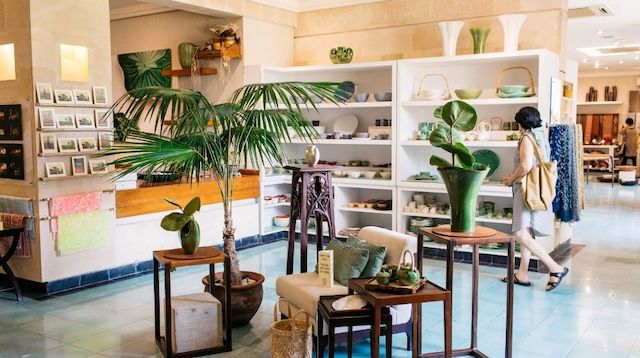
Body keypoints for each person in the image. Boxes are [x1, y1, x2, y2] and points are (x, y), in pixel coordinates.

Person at [500, 107, 569, 291]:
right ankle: (522, 274)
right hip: (536, 190)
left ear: (521, 123)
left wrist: (510, 179)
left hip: (525, 190)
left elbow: (525, 166)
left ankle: (556, 268)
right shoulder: (541, 136)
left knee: (520, 234)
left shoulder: (526, 138)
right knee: (527, 233)